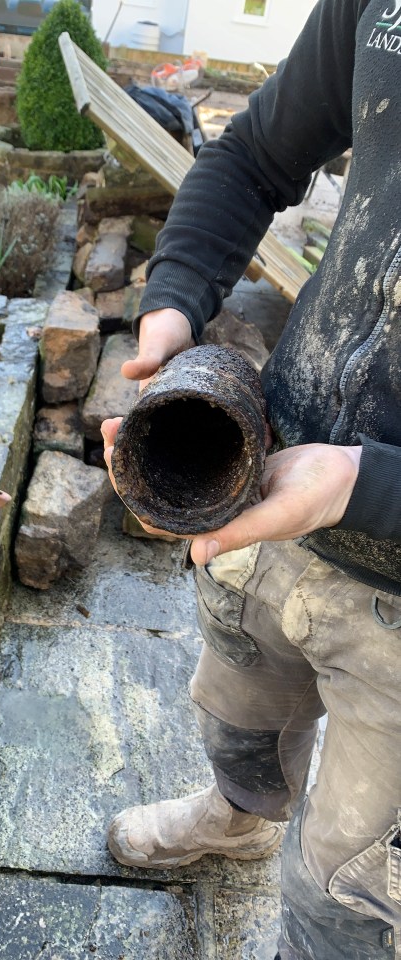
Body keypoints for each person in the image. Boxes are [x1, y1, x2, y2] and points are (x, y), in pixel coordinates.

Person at [100, 1, 401, 958]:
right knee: (238, 713)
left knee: (347, 894)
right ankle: (237, 821)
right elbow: (255, 155)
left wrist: (371, 485)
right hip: (276, 487)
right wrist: (172, 309)